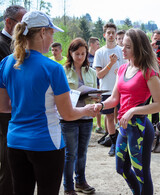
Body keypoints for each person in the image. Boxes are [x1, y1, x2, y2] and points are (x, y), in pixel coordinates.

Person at [0, 11, 97, 195]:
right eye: (52, 33)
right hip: (46, 143)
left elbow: (3, 106)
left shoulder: (6, 63)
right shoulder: (52, 68)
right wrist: (86, 110)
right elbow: (67, 114)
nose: (53, 38)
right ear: (43, 32)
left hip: (15, 141)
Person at [94, 28, 160, 195]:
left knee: (141, 173)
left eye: (127, 47)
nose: (122, 50)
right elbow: (114, 99)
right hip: (124, 127)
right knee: (121, 168)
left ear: (138, 48)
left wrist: (133, 110)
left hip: (140, 127)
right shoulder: (122, 69)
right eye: (122, 46)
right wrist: (101, 106)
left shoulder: (148, 71)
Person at [61, 38, 96, 195]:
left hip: (87, 117)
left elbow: (96, 93)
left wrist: (97, 98)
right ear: (70, 53)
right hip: (69, 117)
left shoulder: (92, 72)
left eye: (83, 54)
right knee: (70, 153)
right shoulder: (63, 71)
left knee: (82, 152)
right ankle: (68, 186)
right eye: (77, 54)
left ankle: (80, 181)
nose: (81, 57)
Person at [0, 5, 26, 195]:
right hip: (4, 113)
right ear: (9, 22)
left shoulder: (17, 46)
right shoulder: (2, 45)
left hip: (14, 111)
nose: (25, 29)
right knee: (8, 163)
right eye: (22, 23)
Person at [93, 22, 126, 156]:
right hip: (106, 90)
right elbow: (99, 75)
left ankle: (123, 142)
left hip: (121, 89)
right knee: (109, 116)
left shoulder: (121, 50)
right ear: (104, 35)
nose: (111, 35)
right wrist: (110, 64)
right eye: (109, 33)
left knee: (123, 116)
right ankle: (113, 143)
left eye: (113, 32)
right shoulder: (100, 52)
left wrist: (121, 72)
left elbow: (128, 69)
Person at [88, 37, 105, 134]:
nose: (99, 46)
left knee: (98, 103)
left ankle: (98, 126)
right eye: (97, 44)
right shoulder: (86, 56)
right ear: (92, 44)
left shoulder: (99, 56)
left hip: (98, 84)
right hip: (88, 84)